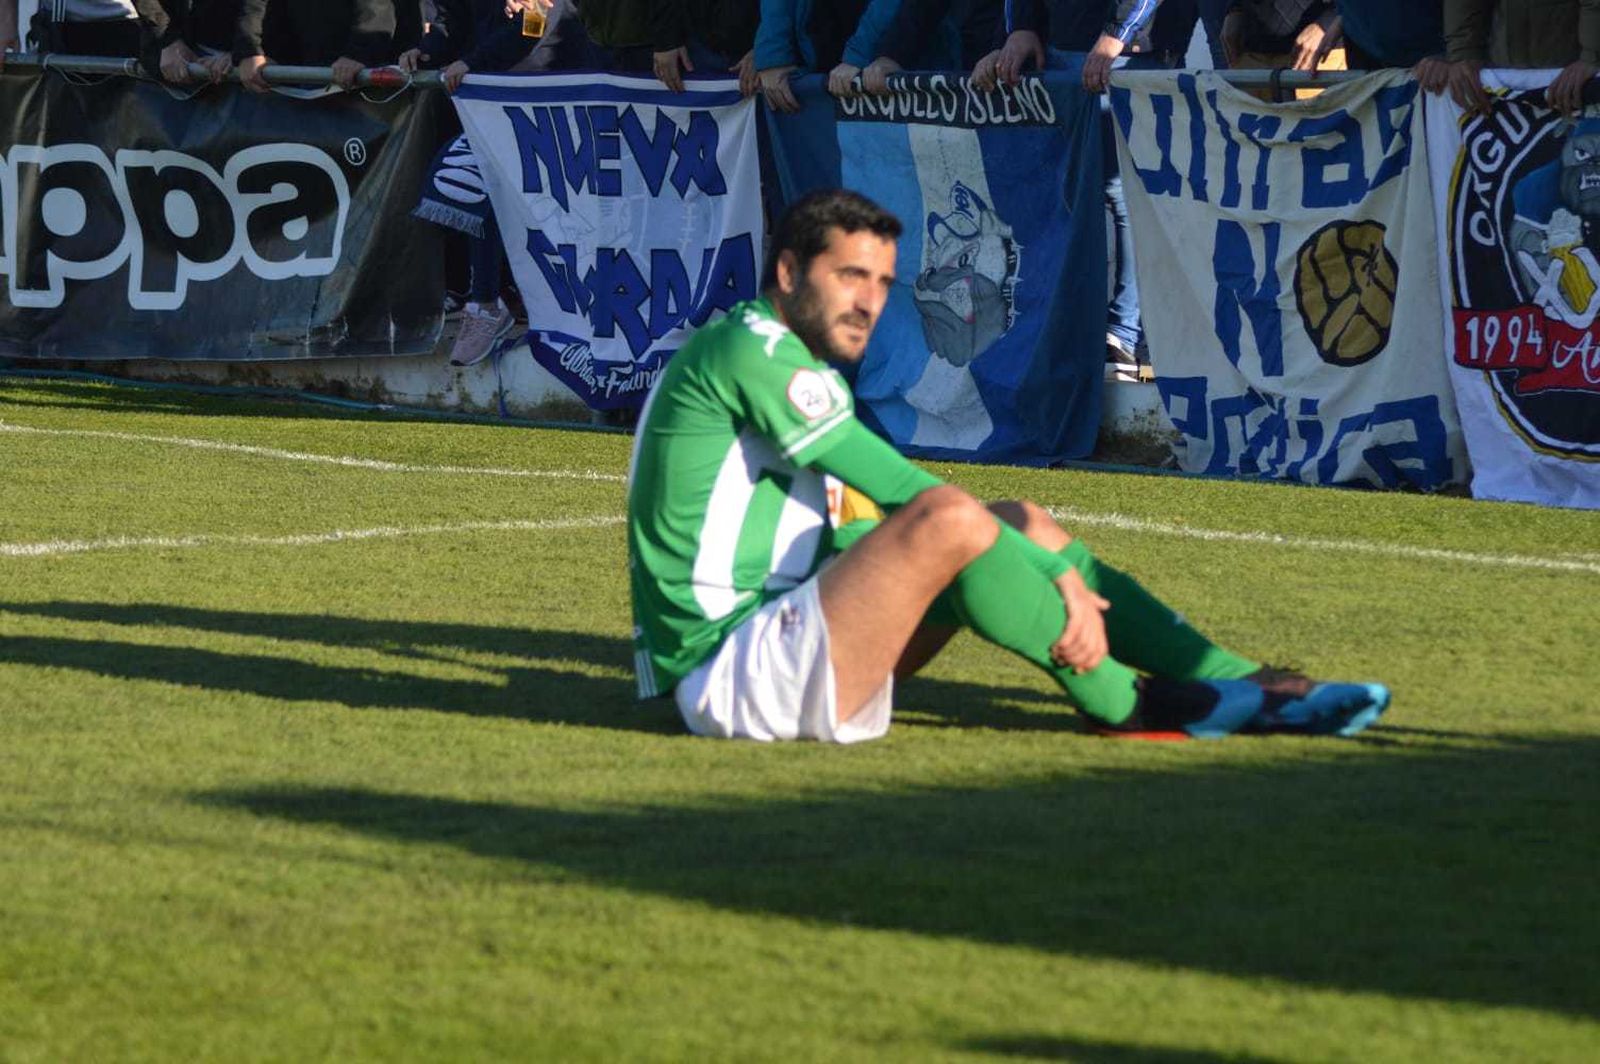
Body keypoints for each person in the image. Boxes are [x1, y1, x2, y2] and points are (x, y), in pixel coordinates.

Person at [627, 188, 1391, 743]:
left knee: (1015, 518)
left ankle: (1237, 678)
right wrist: (1058, 579)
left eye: (882, 283)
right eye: (848, 277)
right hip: (730, 669)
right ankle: (1134, 705)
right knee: (952, 518)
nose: (869, 302)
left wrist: (1023, 555)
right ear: (789, 273)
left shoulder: (782, 354)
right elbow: (896, 488)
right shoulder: (752, 350)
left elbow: (864, 510)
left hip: (804, 628)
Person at [972, 0, 1171, 382]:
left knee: (1122, 194)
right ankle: (1069, 328)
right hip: (1059, 55)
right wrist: (1019, 29)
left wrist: (1118, 33)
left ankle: (1123, 336)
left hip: (1128, 55)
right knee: (1064, 194)